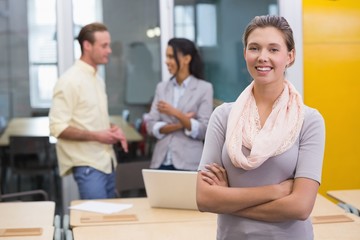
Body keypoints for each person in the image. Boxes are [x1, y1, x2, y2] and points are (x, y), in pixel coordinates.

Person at [196, 15, 325, 240]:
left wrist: (227, 200)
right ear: (245, 53)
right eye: (254, 48)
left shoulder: (309, 121)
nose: (262, 57)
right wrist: (275, 191)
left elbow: (301, 207)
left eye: (273, 49)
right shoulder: (223, 116)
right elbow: (205, 199)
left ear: (290, 56)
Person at [49, 22, 128, 199]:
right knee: (96, 222)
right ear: (87, 45)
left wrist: (112, 128)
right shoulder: (69, 81)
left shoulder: (97, 79)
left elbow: (91, 118)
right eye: (104, 45)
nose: (109, 50)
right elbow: (57, 128)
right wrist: (97, 136)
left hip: (107, 162)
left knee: (108, 222)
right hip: (88, 165)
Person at [146, 38, 213, 171]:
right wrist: (183, 122)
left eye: (171, 57)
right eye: (167, 56)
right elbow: (150, 126)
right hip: (161, 162)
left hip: (189, 163)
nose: (166, 61)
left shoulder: (204, 88)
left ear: (186, 59)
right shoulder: (161, 88)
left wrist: (174, 113)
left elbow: (204, 130)